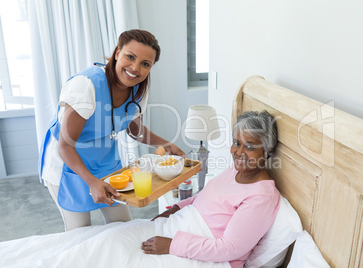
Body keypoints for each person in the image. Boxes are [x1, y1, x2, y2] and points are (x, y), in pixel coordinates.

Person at [38, 29, 184, 232]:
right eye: (130, 57)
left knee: (123, 227)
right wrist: (92, 182)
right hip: (68, 165)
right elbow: (65, 146)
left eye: (145, 64)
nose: (135, 68)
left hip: (104, 163)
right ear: (117, 53)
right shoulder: (85, 86)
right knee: (79, 232)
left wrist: (165, 144)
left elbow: (134, 129)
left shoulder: (137, 88)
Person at [141, 110, 281, 268]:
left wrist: (172, 245)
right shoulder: (236, 170)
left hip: (210, 257)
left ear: (267, 151)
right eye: (236, 143)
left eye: (249, 146)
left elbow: (230, 248)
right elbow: (204, 197)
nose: (239, 152)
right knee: (112, 238)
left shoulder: (262, 196)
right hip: (182, 227)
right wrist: (174, 209)